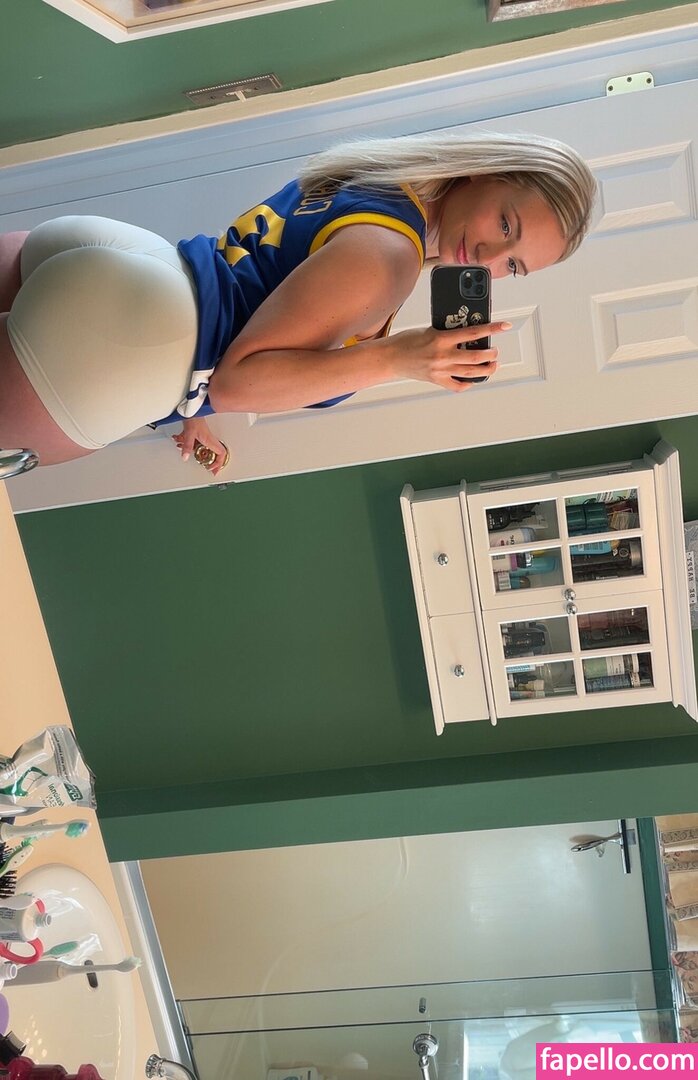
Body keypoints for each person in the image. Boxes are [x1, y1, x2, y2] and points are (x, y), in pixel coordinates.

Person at [0, 131, 596, 476]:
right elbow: (237, 381)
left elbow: (248, 291)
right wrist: (396, 358)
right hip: (129, 346)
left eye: (513, 265)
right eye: (506, 224)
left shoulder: (380, 179)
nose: (490, 257)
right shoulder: (390, 258)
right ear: (486, 173)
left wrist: (189, 413)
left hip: (136, 262)